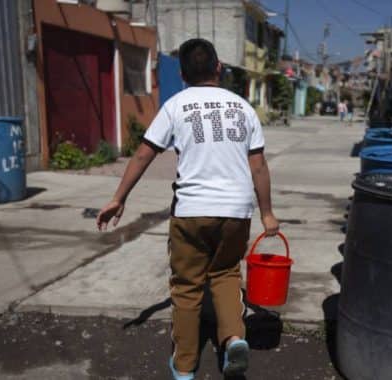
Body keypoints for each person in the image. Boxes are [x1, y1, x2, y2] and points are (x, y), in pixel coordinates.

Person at [95, 38, 279, 380]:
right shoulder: (242, 107)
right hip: (237, 210)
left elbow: (143, 154)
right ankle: (234, 338)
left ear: (182, 73)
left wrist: (119, 197)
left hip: (192, 210)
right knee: (225, 275)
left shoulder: (176, 106)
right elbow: (259, 167)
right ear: (219, 67)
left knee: (187, 286)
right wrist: (266, 212)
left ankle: (184, 366)